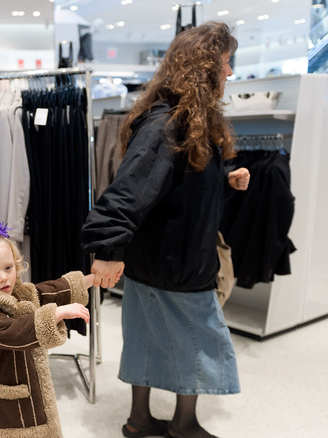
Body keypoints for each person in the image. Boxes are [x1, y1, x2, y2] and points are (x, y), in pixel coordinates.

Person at [80, 21, 250, 438]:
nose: (230, 73)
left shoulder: (185, 121)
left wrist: (223, 181)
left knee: (146, 339)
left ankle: (139, 421)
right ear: (206, 67)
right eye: (226, 63)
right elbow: (130, 189)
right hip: (176, 262)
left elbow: (171, 187)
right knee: (198, 342)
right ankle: (184, 424)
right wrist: (106, 246)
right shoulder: (169, 124)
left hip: (159, 256)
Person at [0, 222, 93, 438]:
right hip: (5, 399)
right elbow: (13, 332)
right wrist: (56, 313)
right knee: (0, 431)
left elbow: (47, 291)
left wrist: (91, 280)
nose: (3, 277)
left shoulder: (19, 294)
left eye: (8, 268)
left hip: (23, 388)